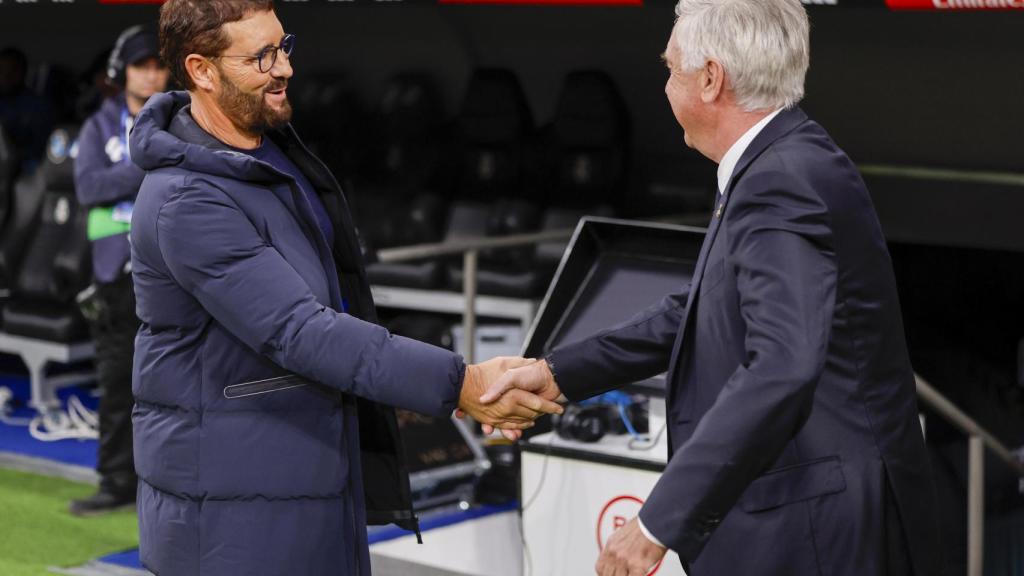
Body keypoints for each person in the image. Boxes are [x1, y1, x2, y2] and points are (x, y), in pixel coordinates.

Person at [480, 1, 940, 575]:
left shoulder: (780, 181)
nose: (666, 87)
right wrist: (557, 373)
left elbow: (782, 366)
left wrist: (656, 522)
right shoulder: (783, 161)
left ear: (711, 79)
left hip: (817, 532)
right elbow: (695, 311)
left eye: (671, 69)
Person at [128, 1, 558, 574]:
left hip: (298, 478)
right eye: (261, 57)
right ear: (202, 71)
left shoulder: (267, 158)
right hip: (233, 520)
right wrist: (463, 382)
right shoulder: (188, 200)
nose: (284, 68)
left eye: (284, 47)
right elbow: (300, 331)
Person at [69, 26, 170, 517]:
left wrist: (131, 174)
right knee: (116, 383)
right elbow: (88, 187)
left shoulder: (184, 118)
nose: (150, 74)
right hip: (114, 278)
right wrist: (147, 160)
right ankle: (115, 482)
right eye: (140, 65)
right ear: (122, 71)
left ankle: (170, 485)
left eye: (157, 65)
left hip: (172, 274)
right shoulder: (99, 125)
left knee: (173, 386)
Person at [0, 46, 54, 174]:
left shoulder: (38, 106)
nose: (5, 77)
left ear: (22, 72)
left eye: (12, 71)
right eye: (1, 71)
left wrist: (17, 155)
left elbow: (44, 148)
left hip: (24, 170)